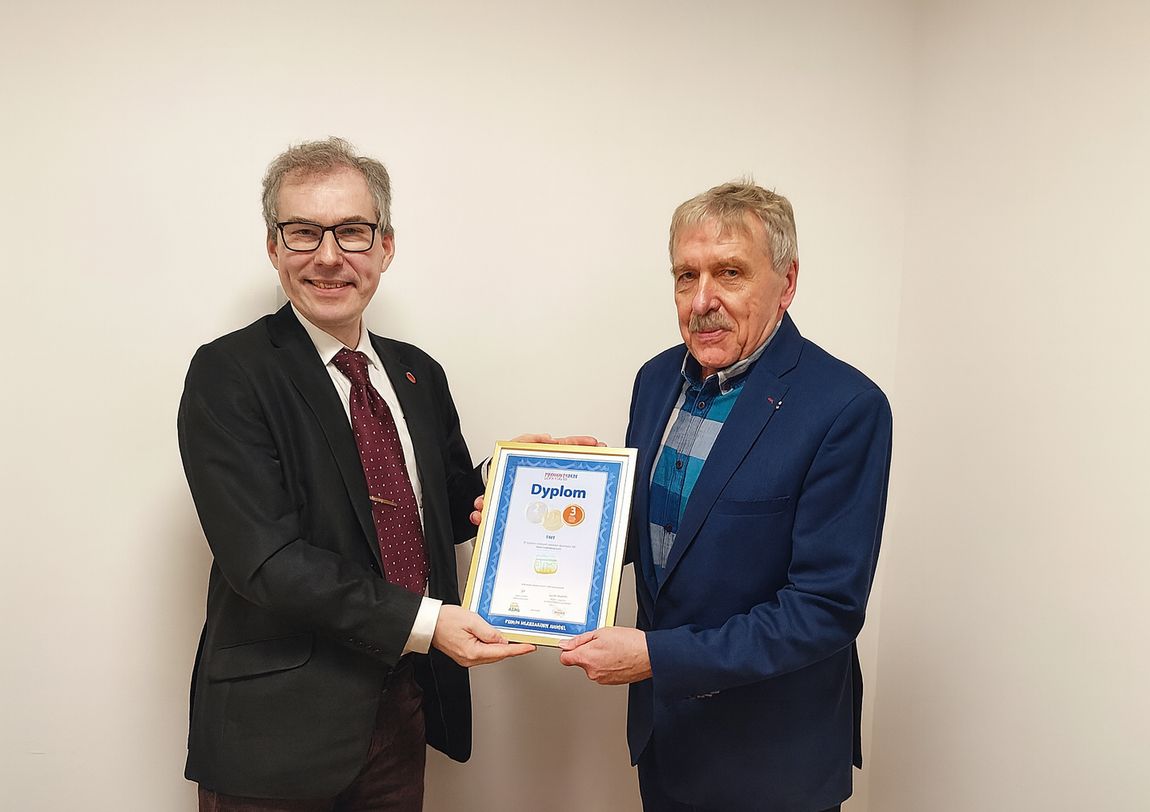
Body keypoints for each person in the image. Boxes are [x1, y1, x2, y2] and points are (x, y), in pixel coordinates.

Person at [178, 137, 586, 811]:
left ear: (386, 247)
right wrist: (431, 623)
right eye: (303, 232)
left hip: (400, 714)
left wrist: (520, 478)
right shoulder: (230, 374)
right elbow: (266, 563)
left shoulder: (415, 372)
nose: (329, 256)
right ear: (274, 247)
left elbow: (449, 509)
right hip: (274, 737)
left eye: (353, 232)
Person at [558, 181, 893, 812]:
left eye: (730, 272)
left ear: (787, 284)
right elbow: (656, 534)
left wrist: (656, 656)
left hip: (772, 761)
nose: (702, 299)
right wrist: (558, 517)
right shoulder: (657, 379)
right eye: (686, 276)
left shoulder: (846, 407)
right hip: (666, 741)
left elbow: (824, 608)